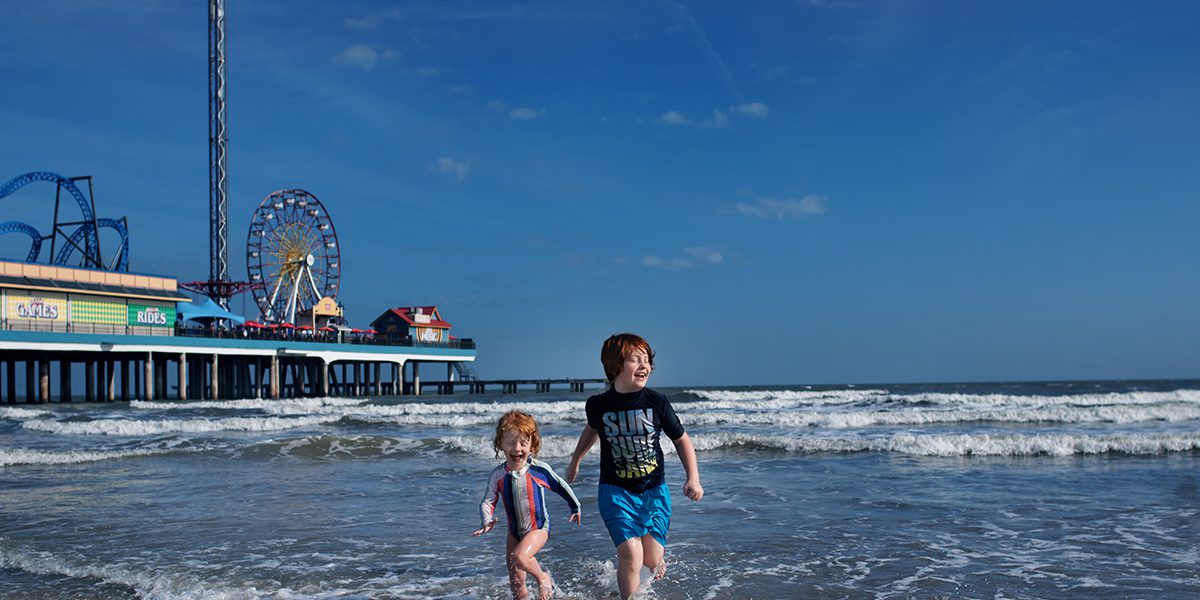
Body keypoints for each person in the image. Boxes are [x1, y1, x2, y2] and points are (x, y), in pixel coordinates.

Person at [566, 333, 703, 600]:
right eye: (635, 360)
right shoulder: (599, 405)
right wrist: (576, 460)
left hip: (654, 490)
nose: (644, 365)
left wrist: (693, 478)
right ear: (615, 367)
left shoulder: (657, 403)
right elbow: (591, 431)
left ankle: (655, 564)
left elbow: (681, 439)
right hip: (615, 491)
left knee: (651, 558)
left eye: (647, 360)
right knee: (631, 553)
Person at [475, 410, 582, 600]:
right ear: (500, 444)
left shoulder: (538, 470)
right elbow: (488, 500)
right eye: (510, 442)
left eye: (523, 443)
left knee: (520, 557)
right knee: (516, 580)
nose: (517, 448)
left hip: (538, 528)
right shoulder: (498, 475)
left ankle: (543, 577)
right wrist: (487, 519)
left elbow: (560, 486)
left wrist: (575, 507)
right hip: (514, 532)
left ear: (532, 445)